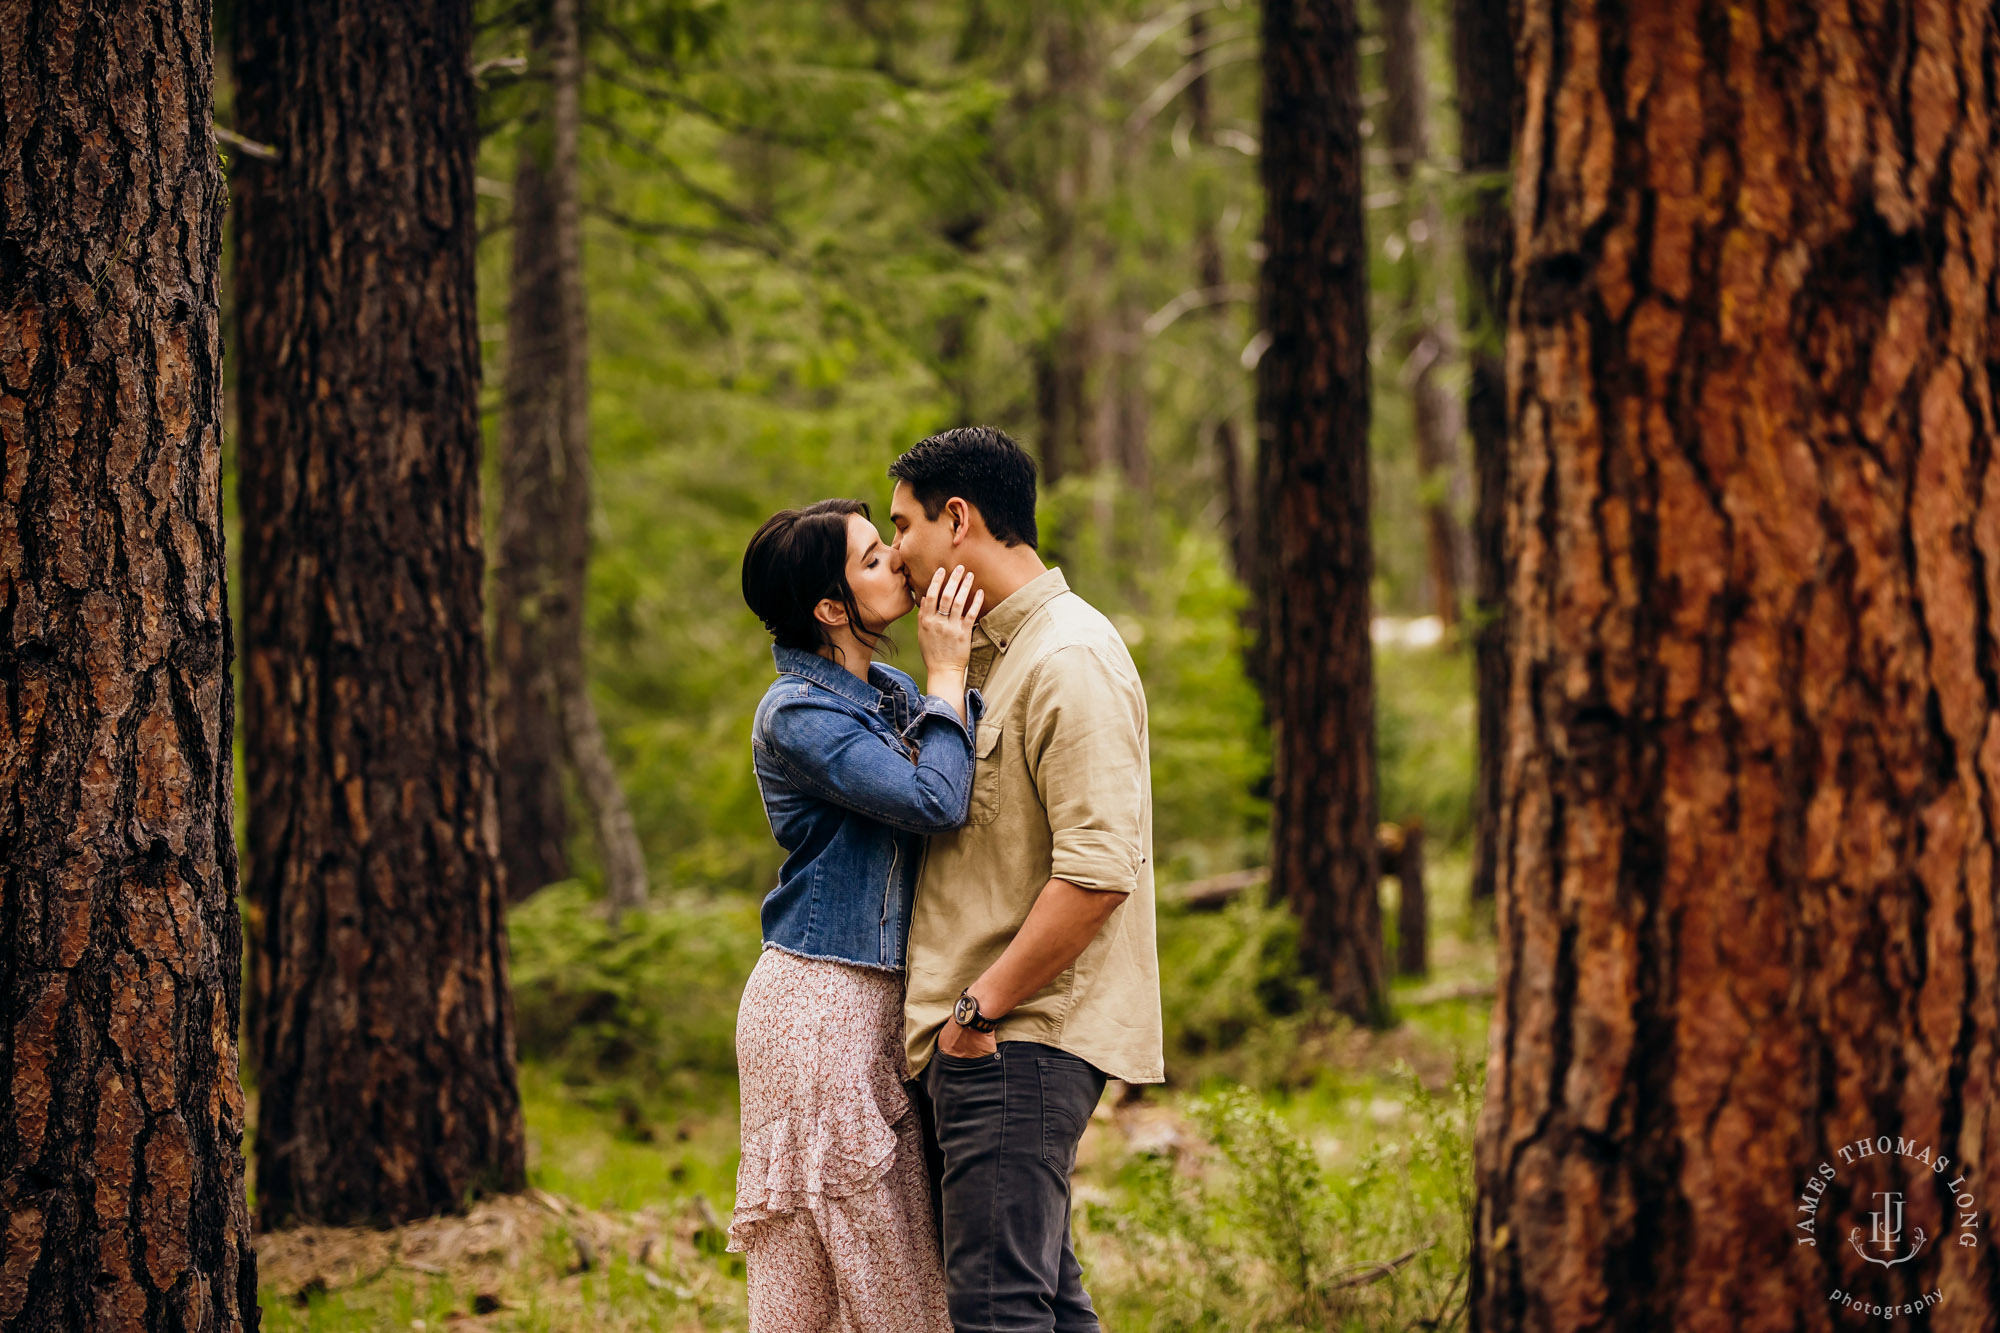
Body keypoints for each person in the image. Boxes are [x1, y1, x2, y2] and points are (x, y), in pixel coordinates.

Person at [889, 427, 1164, 1333]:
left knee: (998, 1314)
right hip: (998, 1043)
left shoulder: (1068, 657)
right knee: (1045, 1305)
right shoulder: (994, 660)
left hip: (1016, 1041)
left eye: (904, 527)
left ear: (957, 519)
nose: (896, 555)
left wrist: (977, 1013)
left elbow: (1096, 873)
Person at [730, 497, 985, 1331]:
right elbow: (935, 798)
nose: (899, 563)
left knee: (860, 1269)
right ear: (831, 608)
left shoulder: (888, 690)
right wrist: (949, 678)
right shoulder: (797, 713)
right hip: (819, 1003)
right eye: (875, 558)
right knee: (880, 1277)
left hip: (874, 1002)